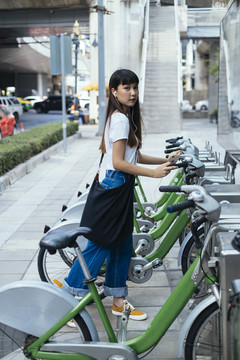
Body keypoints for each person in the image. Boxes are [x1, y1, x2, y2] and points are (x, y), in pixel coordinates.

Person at [62, 69, 181, 321]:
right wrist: (153, 174)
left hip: (119, 186)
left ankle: (118, 299)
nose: (133, 92)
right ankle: (67, 299)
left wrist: (165, 160)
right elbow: (118, 162)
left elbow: (132, 155)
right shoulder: (120, 119)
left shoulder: (122, 117)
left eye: (135, 87)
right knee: (101, 243)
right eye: (126, 87)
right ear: (114, 92)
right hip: (115, 185)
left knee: (122, 244)